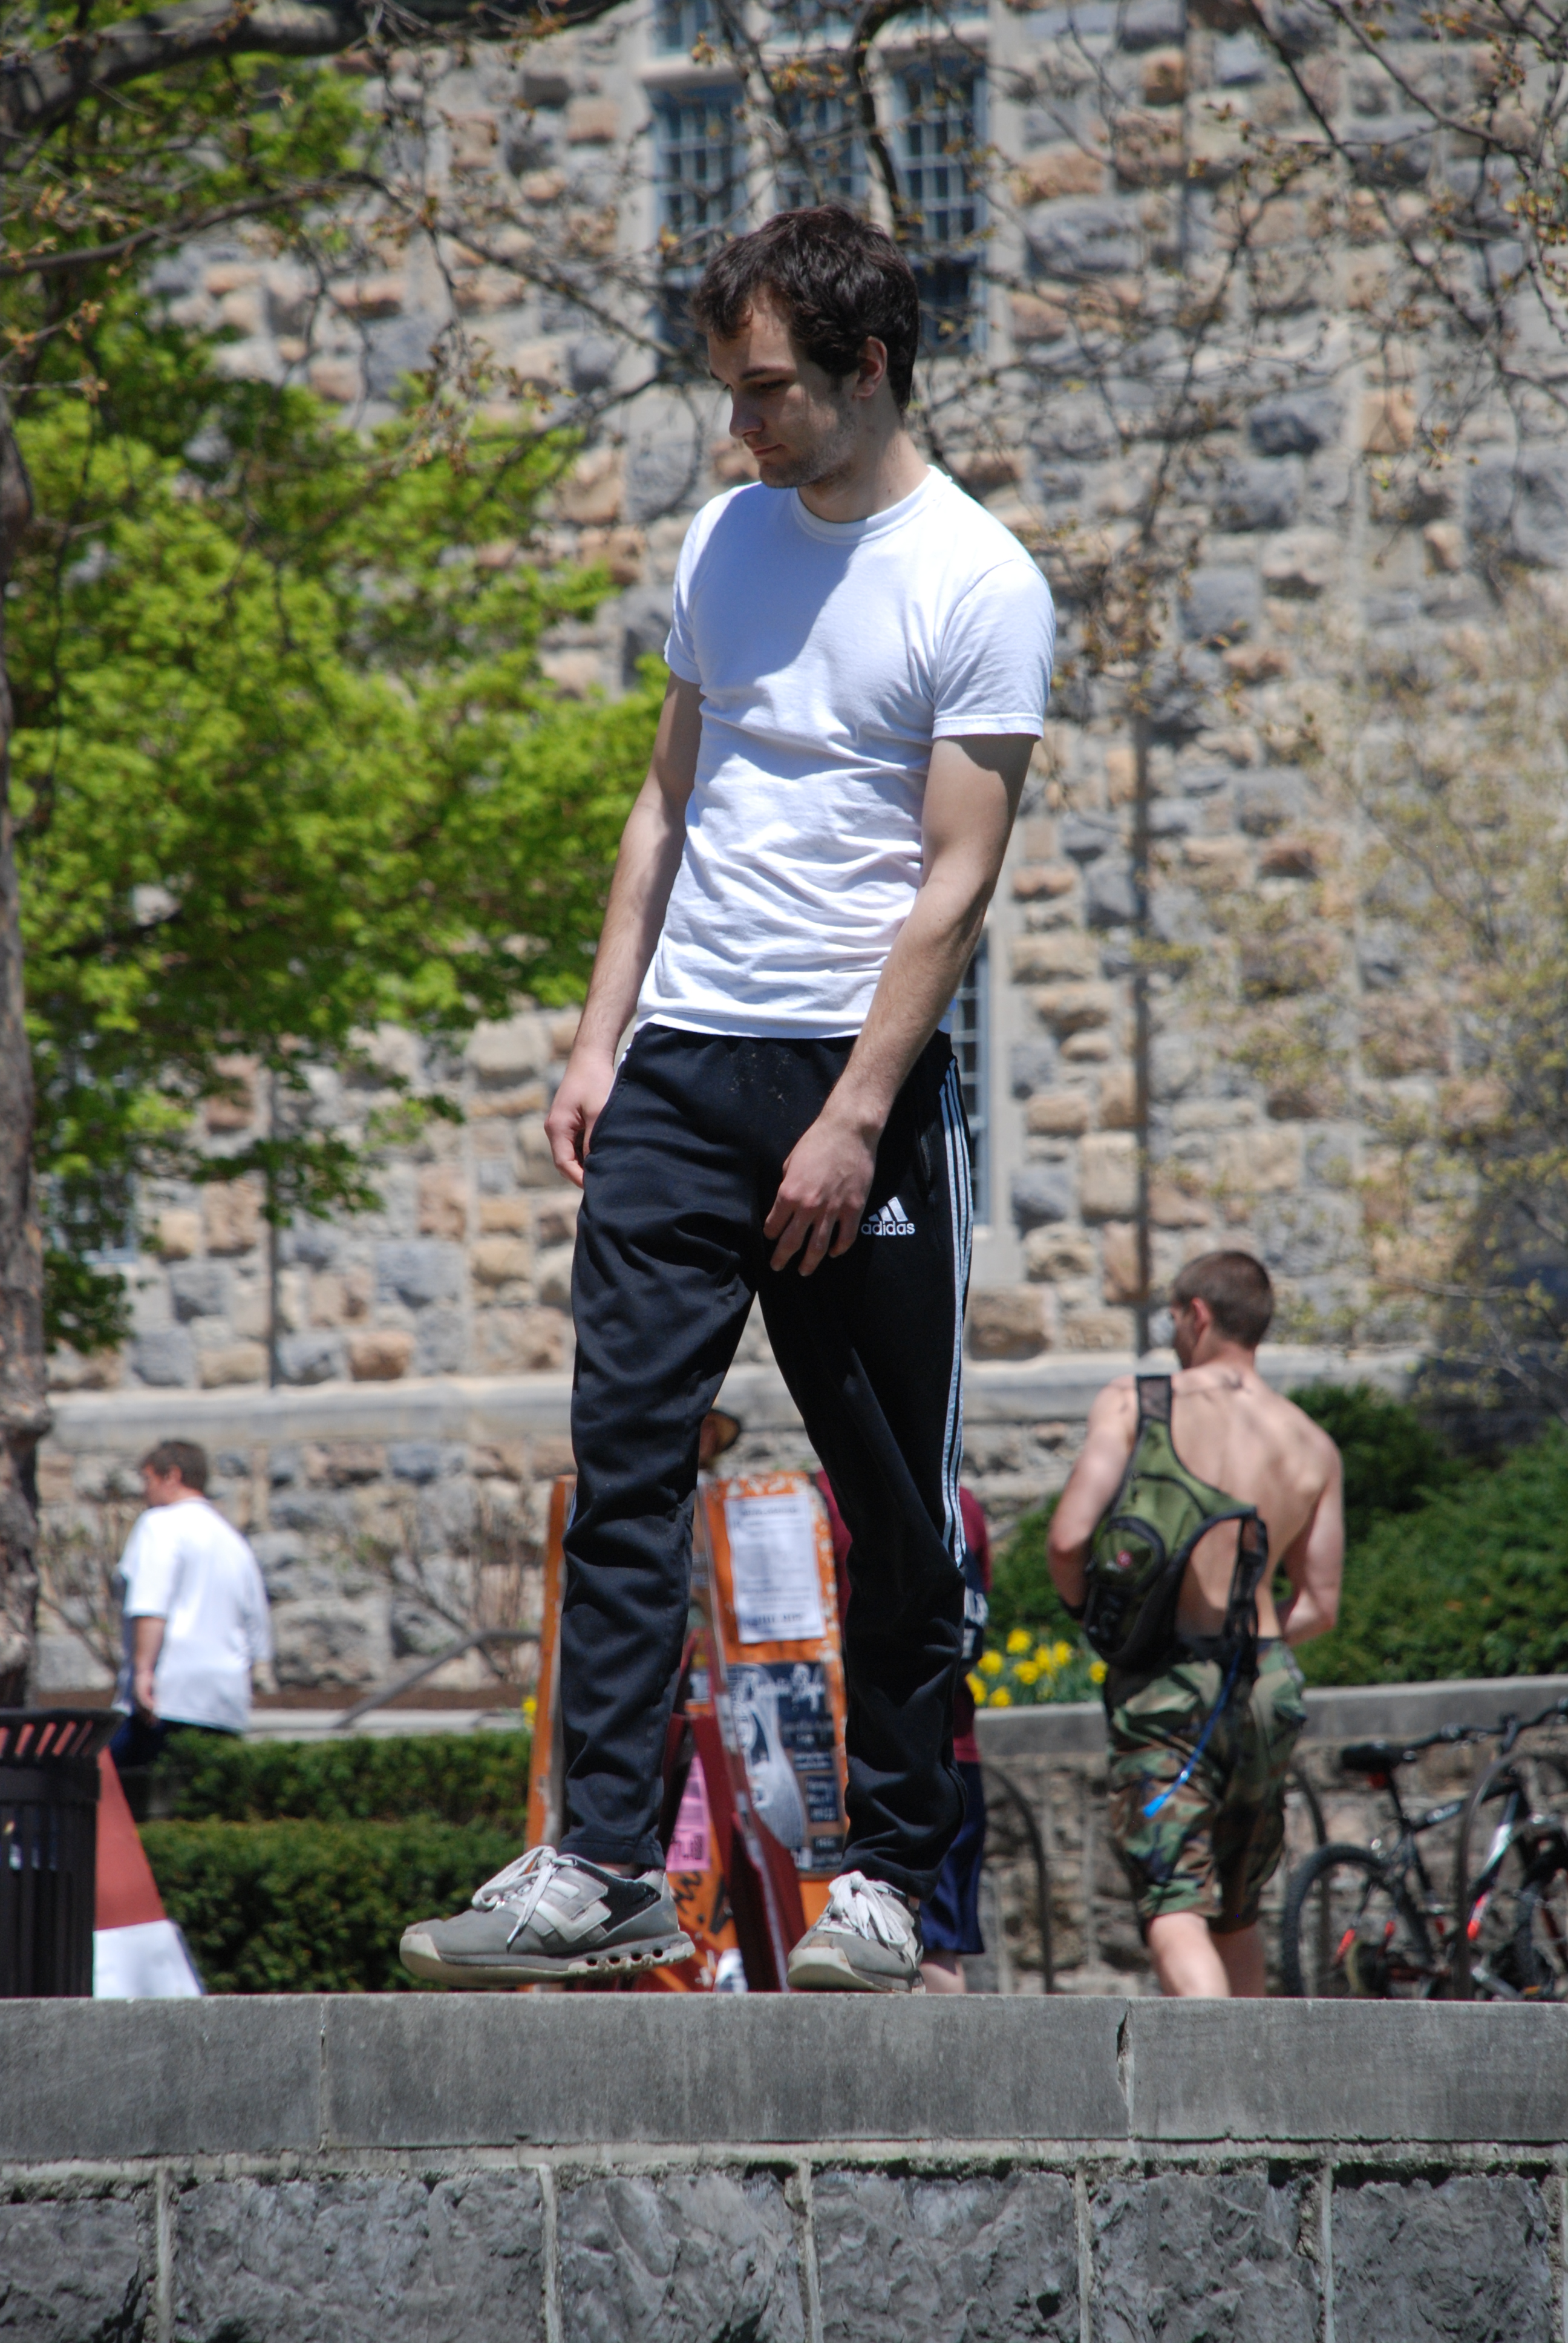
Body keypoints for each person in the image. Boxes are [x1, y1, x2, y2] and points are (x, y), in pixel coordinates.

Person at [400, 203, 1054, 1993]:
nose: (739, 425)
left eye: (766, 391)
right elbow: (666, 803)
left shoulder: (979, 581)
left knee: (893, 1510)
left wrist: (853, 1113)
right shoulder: (723, 539)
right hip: (683, 1067)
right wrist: (598, 1038)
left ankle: (890, 1882)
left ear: (868, 367)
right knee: (624, 1473)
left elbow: (956, 881)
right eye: (729, 388)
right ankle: (603, 1865)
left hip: (857, 1091)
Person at [1045, 1253, 1344, 1999]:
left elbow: (1068, 1538)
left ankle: (1217, 2068)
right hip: (1266, 1686)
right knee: (1236, 1911)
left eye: (1174, 1319)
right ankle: (1255, 2073)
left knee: (1174, 1902)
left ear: (1198, 1315)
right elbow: (1320, 1603)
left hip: (1170, 1687)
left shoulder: (1138, 1402)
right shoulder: (1312, 1442)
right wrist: (1250, 1650)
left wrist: (1100, 1622)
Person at [816, 1471, 991, 1992]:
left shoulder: (827, 1497)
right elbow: (973, 1622)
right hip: (952, 1746)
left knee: (879, 1939)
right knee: (934, 1943)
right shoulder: (962, 1501)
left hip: (866, 1754)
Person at [109, 1440, 272, 1772]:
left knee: (106, 1786)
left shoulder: (160, 1524)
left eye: (148, 1479)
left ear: (172, 1476)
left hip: (169, 1694)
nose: (144, 1491)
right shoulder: (233, 1541)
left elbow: (151, 1604)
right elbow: (257, 1625)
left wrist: (143, 1672)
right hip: (224, 1700)